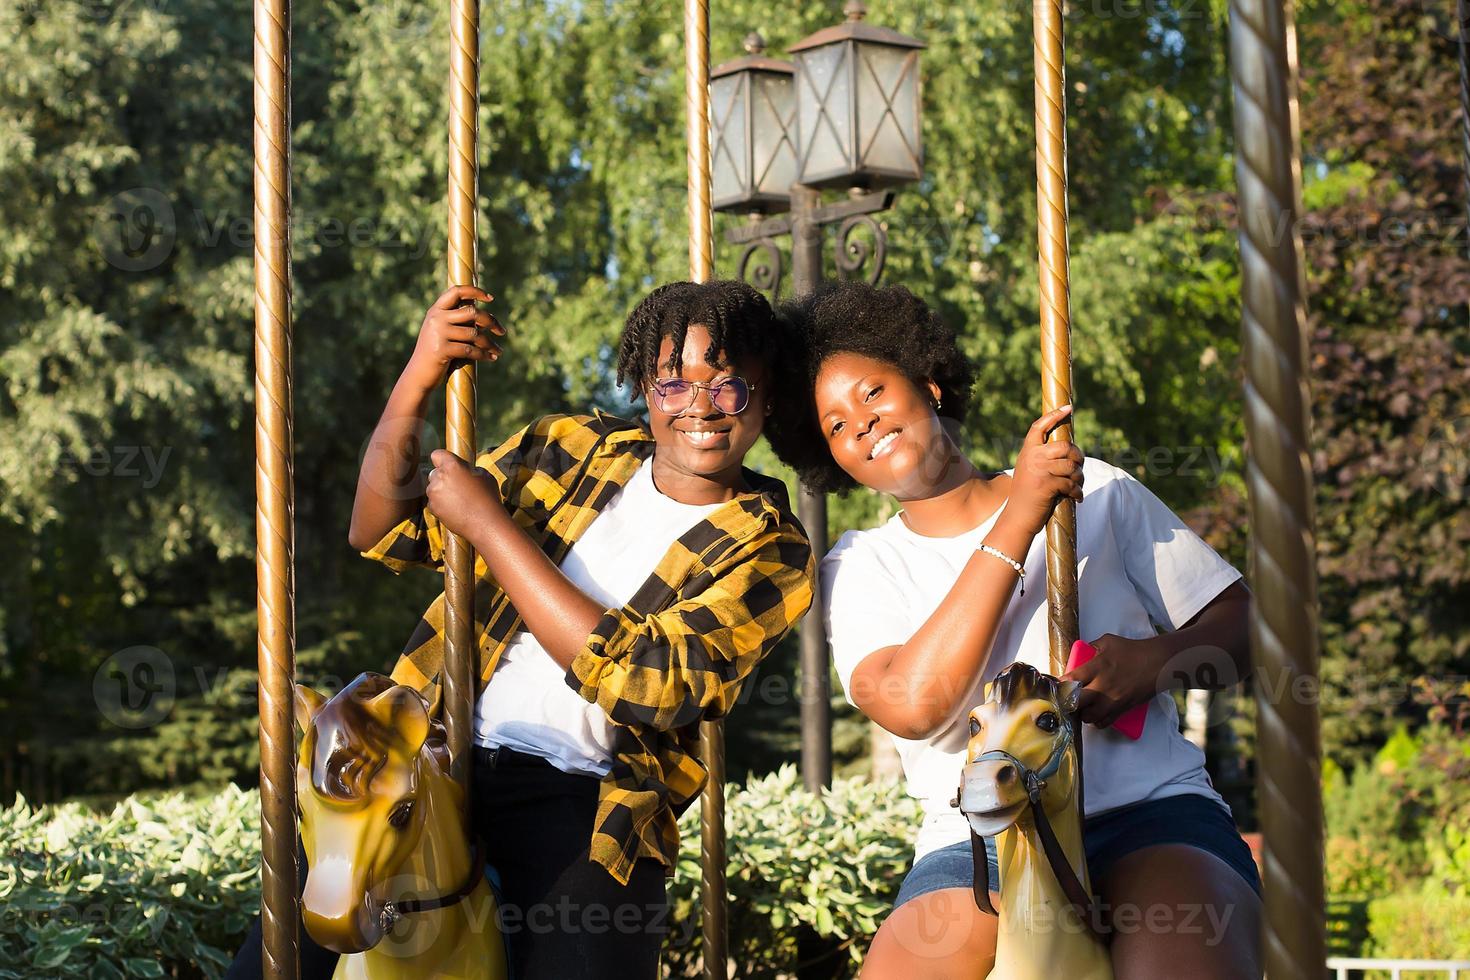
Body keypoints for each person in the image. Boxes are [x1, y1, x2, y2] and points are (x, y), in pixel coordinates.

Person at [227, 279, 814, 979]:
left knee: (588, 951)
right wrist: (423, 370)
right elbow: (379, 527)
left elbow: (651, 683)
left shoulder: (771, 549)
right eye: (673, 384)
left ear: (766, 399)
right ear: (646, 389)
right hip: (431, 759)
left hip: (587, 799)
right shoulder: (567, 449)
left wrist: (488, 527)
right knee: (278, 956)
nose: (699, 408)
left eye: (729, 389)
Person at [770, 280, 1263, 980]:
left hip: (1144, 810)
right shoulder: (863, 565)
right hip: (977, 837)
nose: (863, 425)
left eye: (873, 393)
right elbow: (914, 706)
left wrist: (1156, 664)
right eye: (837, 427)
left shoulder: (1095, 493)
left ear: (929, 383)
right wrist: (1019, 516)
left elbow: (1244, 628)